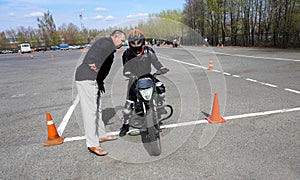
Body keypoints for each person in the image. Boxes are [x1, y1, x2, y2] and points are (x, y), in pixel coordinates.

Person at [75, 30, 126, 156]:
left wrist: (100, 81)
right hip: (87, 78)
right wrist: (93, 62)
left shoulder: (110, 47)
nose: (123, 43)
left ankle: (101, 135)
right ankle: (92, 144)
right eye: (122, 40)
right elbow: (95, 52)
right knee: (90, 112)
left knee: (97, 109)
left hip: (94, 80)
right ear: (115, 37)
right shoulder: (106, 43)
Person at [119, 29, 169, 137]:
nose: (137, 48)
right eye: (134, 46)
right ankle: (125, 125)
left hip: (148, 76)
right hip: (134, 79)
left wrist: (161, 68)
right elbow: (125, 68)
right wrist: (128, 73)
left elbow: (156, 63)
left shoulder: (149, 51)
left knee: (161, 89)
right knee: (128, 106)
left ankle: (160, 106)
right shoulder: (126, 53)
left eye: (138, 45)